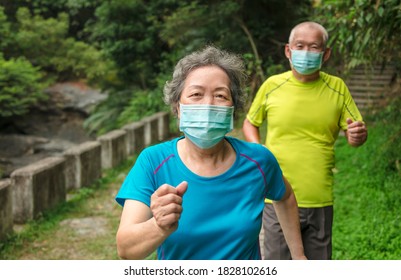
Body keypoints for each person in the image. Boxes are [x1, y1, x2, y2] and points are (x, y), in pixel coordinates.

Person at [115, 45, 306, 260]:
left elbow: (286, 196)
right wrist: (158, 225)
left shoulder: (259, 160)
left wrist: (298, 257)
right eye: (196, 94)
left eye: (220, 95)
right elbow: (126, 250)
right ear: (178, 108)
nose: (208, 104)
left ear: (233, 108)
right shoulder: (153, 162)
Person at [243, 21, 368, 260]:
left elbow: (356, 135)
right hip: (276, 194)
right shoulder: (272, 85)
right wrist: (258, 149)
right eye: (300, 46)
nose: (306, 52)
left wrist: (358, 135)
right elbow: (250, 122)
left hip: (318, 197)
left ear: (326, 53)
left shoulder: (338, 88)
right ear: (288, 51)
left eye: (314, 47)